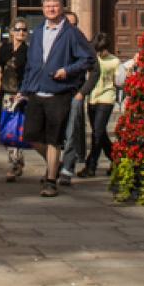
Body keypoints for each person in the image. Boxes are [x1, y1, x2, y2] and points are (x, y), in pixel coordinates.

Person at [21, 0, 94, 198]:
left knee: (54, 139)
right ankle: (55, 162)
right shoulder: (37, 32)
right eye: (47, 6)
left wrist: (67, 71)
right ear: (42, 9)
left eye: (55, 6)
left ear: (62, 8)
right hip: (36, 91)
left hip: (58, 93)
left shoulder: (71, 33)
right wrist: (24, 89)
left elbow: (88, 59)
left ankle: (51, 181)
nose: (51, 9)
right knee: (32, 137)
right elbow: (31, 63)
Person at [0, 23, 30, 181]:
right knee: (5, 129)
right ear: (11, 31)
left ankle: (16, 163)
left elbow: (29, 72)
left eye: (24, 29)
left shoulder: (29, 51)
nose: (21, 32)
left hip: (21, 95)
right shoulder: (5, 48)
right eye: (18, 29)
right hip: (6, 93)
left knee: (17, 130)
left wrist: (25, 92)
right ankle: (16, 160)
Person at [57, 11, 91, 185]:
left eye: (73, 24)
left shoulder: (81, 41)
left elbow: (95, 69)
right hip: (56, 93)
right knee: (54, 133)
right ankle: (54, 165)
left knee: (71, 132)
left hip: (74, 94)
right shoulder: (56, 41)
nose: (70, 28)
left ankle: (67, 169)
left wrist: (82, 92)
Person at [80, 37, 121, 178]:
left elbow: (118, 81)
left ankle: (91, 166)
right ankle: (117, 160)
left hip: (107, 98)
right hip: (92, 98)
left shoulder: (114, 61)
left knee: (97, 133)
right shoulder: (91, 59)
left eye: (101, 51)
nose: (98, 53)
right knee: (100, 133)